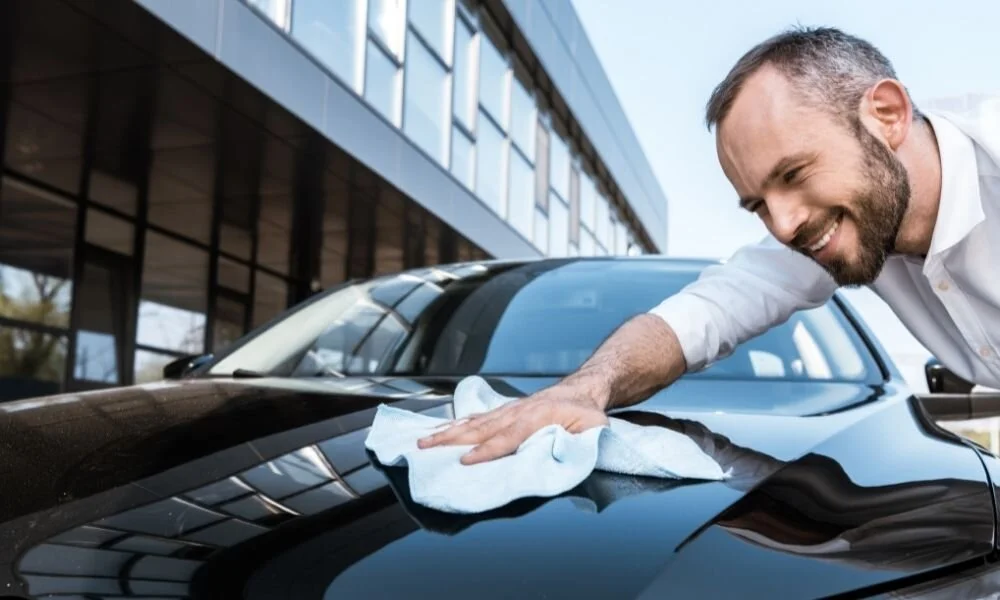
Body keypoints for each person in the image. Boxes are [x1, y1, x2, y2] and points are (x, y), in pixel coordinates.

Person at [418, 26, 1000, 465]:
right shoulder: (845, 221)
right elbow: (706, 312)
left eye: (794, 173)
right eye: (757, 205)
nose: (783, 224)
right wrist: (582, 389)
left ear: (888, 114)